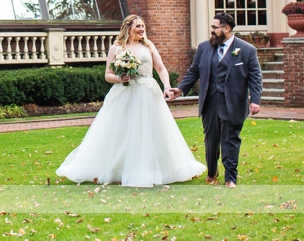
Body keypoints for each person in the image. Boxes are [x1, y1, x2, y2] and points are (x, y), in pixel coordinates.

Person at [56, 14, 206, 187]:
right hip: (125, 93)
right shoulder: (117, 48)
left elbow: (161, 68)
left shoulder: (149, 46)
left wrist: (166, 86)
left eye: (143, 26)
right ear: (128, 28)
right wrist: (121, 79)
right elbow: (108, 75)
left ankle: (160, 169)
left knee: (152, 130)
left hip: (147, 92)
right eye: (138, 26)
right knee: (123, 131)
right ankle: (118, 170)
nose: (142, 29)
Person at [167, 12, 262, 188]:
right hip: (210, 103)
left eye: (214, 27)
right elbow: (194, 71)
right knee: (211, 140)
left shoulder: (247, 50)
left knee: (230, 140)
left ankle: (230, 178)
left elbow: (255, 77)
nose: (211, 31)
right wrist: (180, 89)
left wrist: (255, 100)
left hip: (234, 103)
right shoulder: (204, 48)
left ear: (226, 29)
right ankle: (212, 172)